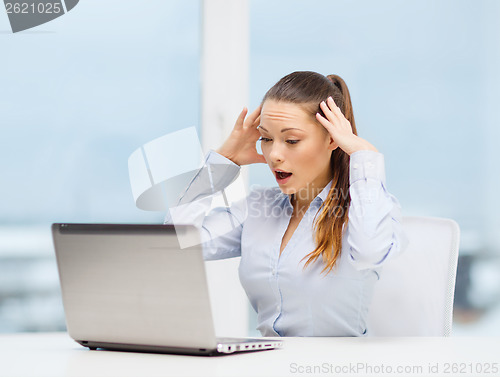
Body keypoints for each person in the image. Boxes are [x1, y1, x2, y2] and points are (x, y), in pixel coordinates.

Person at [164, 71, 408, 337]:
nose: (274, 155)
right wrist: (222, 162)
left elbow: (370, 251)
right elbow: (177, 242)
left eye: (291, 140)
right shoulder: (258, 208)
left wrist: (364, 156)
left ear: (331, 140)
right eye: (266, 139)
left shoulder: (365, 211)